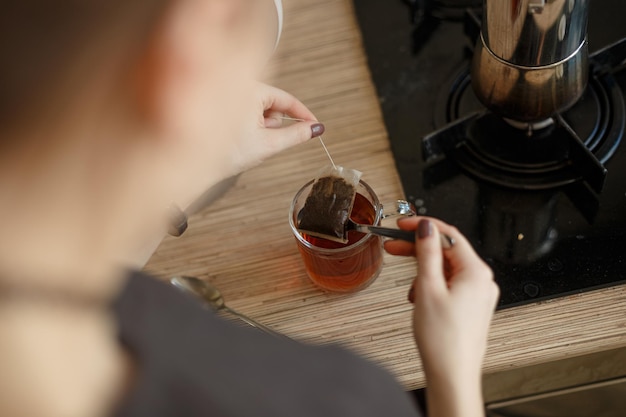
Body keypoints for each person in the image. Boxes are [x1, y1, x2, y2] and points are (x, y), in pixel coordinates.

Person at [0, 1, 499, 417]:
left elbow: (98, 280)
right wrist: (455, 374)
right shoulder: (337, 400)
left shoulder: (48, 286)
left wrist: (187, 165)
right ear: (186, 50)